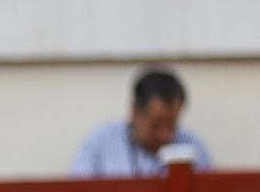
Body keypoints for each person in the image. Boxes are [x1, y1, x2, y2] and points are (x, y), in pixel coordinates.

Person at [70, 67, 214, 178]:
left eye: (171, 125)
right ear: (134, 111)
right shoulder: (100, 143)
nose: (165, 135)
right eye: (155, 124)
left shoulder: (193, 148)